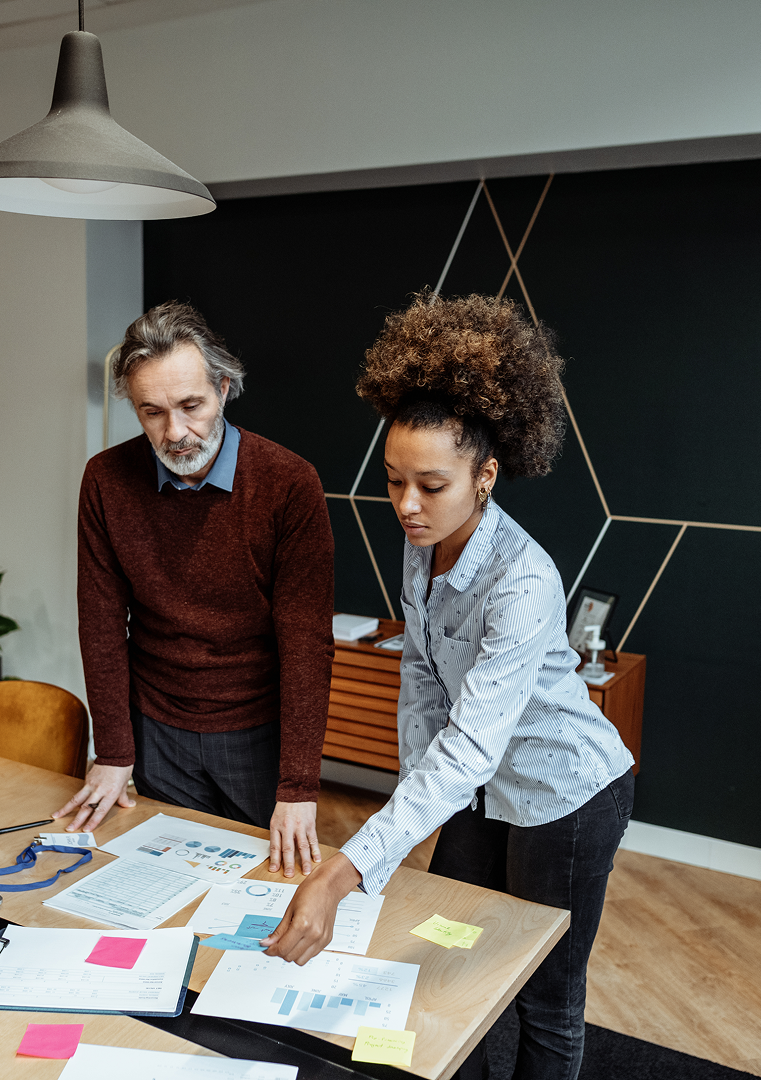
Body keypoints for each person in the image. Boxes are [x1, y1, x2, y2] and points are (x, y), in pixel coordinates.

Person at [261, 293, 635, 1080]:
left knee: (544, 998)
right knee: (442, 952)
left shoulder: (522, 581)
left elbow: (470, 743)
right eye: (394, 480)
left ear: (484, 475)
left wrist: (345, 867)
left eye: (430, 485)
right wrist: (411, 807)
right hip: (476, 790)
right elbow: (423, 677)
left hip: (563, 794)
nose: (406, 505)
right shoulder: (420, 540)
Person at [56, 301, 335, 878]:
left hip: (257, 730)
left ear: (224, 389)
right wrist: (114, 751)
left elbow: (307, 644)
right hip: (156, 725)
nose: (175, 433)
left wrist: (298, 785)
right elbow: (100, 624)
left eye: (191, 406)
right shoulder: (105, 480)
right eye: (152, 412)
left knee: (265, 885)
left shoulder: (289, 482)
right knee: (167, 881)